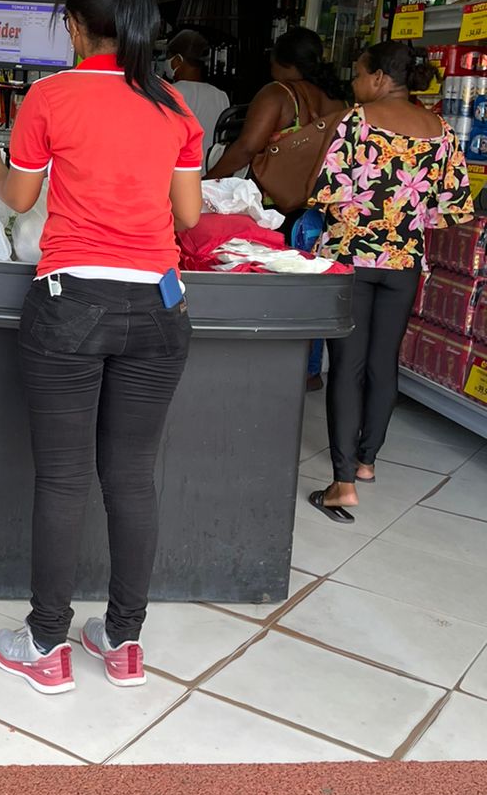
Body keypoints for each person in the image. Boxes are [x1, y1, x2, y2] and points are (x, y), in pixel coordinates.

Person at [0, 0, 203, 695]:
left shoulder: (50, 96)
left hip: (72, 302)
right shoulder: (175, 108)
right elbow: (190, 216)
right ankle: (125, 640)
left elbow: (18, 197)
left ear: (73, 25)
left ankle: (45, 643)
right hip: (160, 309)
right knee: (133, 476)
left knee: (65, 477)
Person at [308, 41, 471, 520]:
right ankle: (366, 462)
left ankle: (340, 484)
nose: (354, 83)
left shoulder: (356, 121)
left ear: (379, 78)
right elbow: (452, 211)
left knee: (347, 366)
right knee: (383, 363)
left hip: (353, 260)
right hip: (403, 265)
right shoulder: (440, 130)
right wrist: (404, 218)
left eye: (358, 74)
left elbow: (328, 195)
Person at [209, 27, 345, 221]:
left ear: (282, 61)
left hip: (275, 209)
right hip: (321, 206)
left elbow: (247, 148)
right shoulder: (338, 100)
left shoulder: (277, 93)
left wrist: (207, 182)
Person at [166, 29, 229, 158]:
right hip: (209, 172)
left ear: (178, 60)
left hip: (179, 172)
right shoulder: (221, 96)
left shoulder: (168, 93)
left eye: (168, 57)